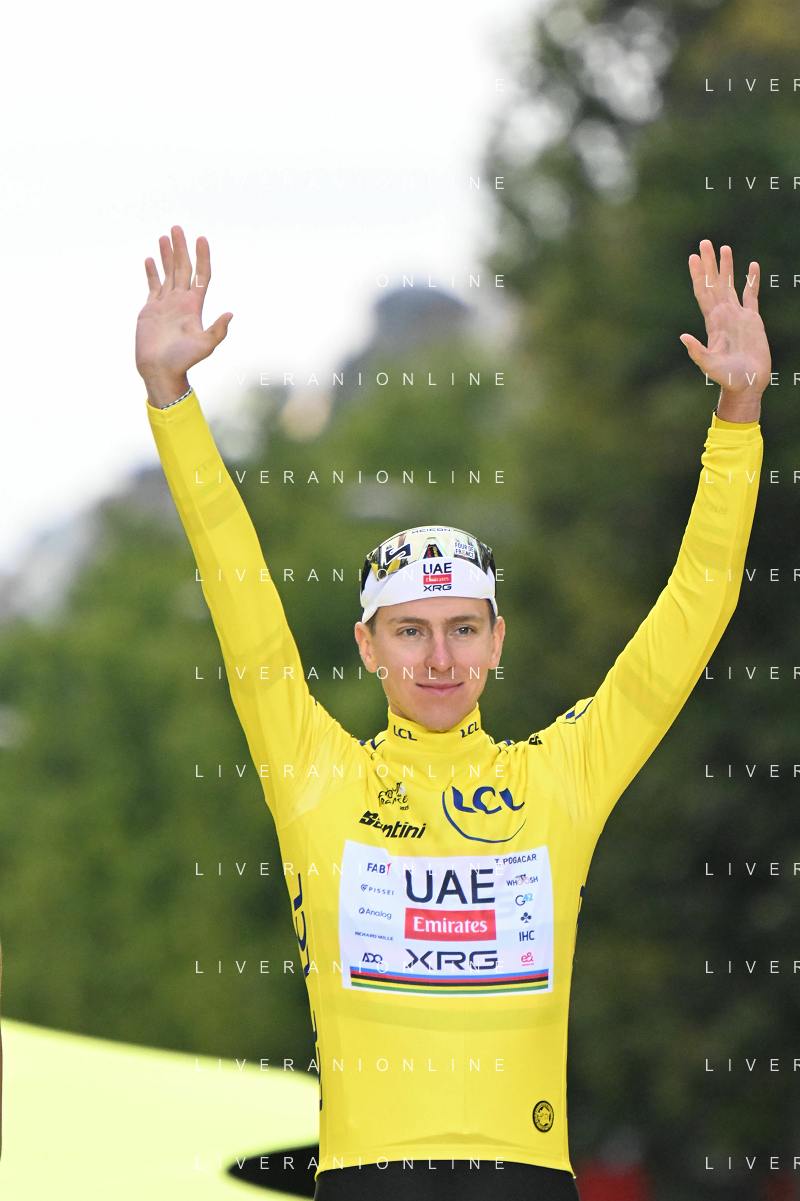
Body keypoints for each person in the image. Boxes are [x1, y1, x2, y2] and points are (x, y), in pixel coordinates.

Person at [135, 229, 768, 1200]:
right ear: (367, 646)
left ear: (497, 640)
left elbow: (693, 611)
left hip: (525, 1172)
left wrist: (738, 413)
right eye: (410, 631)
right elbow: (237, 588)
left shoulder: (557, 776)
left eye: (463, 629)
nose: (439, 658)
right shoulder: (317, 774)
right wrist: (171, 401)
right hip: (368, 1175)